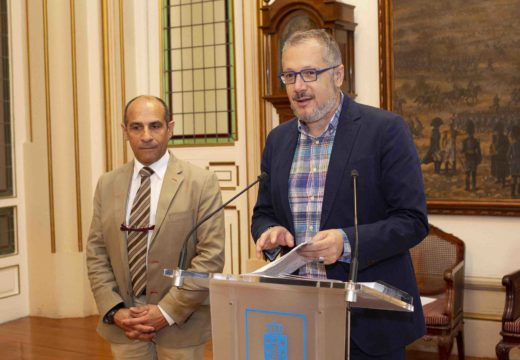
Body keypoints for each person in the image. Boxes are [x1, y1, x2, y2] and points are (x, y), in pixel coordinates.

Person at [251, 29, 428, 359]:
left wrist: (346, 243)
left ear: (338, 74)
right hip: (296, 318)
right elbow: (263, 213)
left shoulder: (385, 130)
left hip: (368, 324)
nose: (298, 86)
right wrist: (270, 231)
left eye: (309, 73)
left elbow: (412, 221)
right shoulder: (278, 140)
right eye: (289, 75)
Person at [86, 95, 225, 360]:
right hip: (127, 325)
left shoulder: (201, 183)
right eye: (136, 127)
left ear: (169, 128)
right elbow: (97, 252)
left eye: (155, 126)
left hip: (181, 323)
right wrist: (115, 310)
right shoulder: (107, 184)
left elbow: (211, 258)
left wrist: (167, 311)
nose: (146, 135)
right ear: (125, 132)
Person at [461, 120, 482, 192]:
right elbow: (479, 151)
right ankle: (472, 187)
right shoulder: (476, 140)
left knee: (469, 173)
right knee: (472, 173)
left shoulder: (465, 141)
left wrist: (463, 152)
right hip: (472, 158)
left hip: (469, 158)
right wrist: (479, 158)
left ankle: (468, 187)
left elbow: (463, 150)